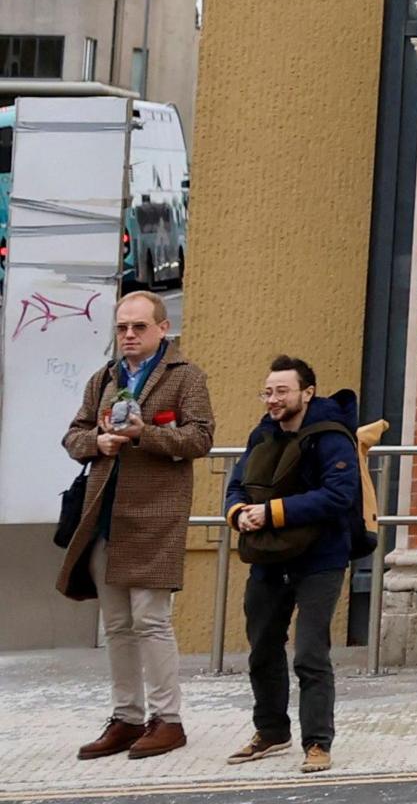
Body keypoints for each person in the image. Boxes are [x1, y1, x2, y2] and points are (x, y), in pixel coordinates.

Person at [57, 290, 214, 761]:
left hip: (155, 516)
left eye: (138, 327)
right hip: (103, 515)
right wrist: (98, 442)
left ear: (163, 329)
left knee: (151, 620)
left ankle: (168, 719)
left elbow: (201, 437)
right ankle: (126, 717)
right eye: (122, 327)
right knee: (118, 624)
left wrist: (145, 433)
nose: (128, 335)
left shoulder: (184, 377)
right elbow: (73, 433)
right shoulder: (104, 377)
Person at [221, 356, 359, 773]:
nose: (273, 399)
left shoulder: (332, 436)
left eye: (282, 391)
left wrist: (272, 512)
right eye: (268, 391)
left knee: (310, 654)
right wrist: (239, 512)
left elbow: (340, 495)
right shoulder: (261, 434)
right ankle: (271, 731)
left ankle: (318, 743)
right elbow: (236, 485)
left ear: (307, 393)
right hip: (268, 558)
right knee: (262, 647)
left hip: (321, 558)